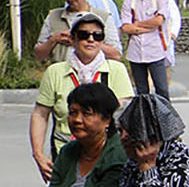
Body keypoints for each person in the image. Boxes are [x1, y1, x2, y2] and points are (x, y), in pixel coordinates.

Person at [31, 12, 133, 177]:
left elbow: (125, 115)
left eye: (97, 35)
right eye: (84, 35)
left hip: (107, 158)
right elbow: (40, 114)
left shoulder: (116, 70)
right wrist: (38, 155)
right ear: (72, 39)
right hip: (65, 155)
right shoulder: (55, 72)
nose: (91, 39)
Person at [34, 0, 122, 64]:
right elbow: (38, 55)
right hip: (61, 74)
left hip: (94, 75)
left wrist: (84, 42)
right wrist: (54, 39)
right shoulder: (53, 16)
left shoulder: (104, 17)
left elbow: (116, 55)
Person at [119, 0, 179, 96]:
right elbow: (125, 26)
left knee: (162, 89)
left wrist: (138, 24)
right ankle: (144, 116)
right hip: (136, 51)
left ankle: (163, 116)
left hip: (155, 51)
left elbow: (158, 21)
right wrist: (144, 26)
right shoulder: (129, 2)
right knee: (142, 91)